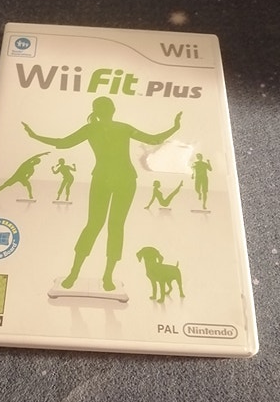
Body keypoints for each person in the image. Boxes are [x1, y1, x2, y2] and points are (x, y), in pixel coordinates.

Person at [22, 97, 182, 291]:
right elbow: (153, 139)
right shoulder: (122, 128)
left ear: (96, 112)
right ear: (113, 109)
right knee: (115, 226)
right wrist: (175, 127)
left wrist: (35, 136)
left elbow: (63, 143)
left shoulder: (91, 129)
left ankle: (76, 273)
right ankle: (105, 277)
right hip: (123, 179)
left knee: (94, 225)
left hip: (104, 178)